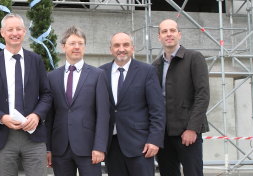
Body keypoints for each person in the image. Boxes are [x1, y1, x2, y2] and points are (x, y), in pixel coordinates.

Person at [0, 13, 52, 176]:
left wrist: (37, 115)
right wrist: (2, 118)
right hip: (4, 135)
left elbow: (47, 94)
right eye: (10, 29)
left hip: (34, 135)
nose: (15, 33)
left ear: (24, 32)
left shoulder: (36, 60)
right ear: (2, 33)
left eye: (19, 29)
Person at [46, 26, 110, 176]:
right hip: (60, 148)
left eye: (80, 43)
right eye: (72, 43)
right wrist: (48, 148)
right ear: (63, 46)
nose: (77, 47)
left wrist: (100, 146)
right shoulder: (52, 77)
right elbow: (49, 117)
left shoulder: (98, 75)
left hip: (89, 148)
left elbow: (103, 114)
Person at [99, 32, 165, 176]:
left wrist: (154, 140)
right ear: (111, 49)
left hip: (140, 145)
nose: (121, 49)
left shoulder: (147, 71)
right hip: (112, 145)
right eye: (117, 45)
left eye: (126, 45)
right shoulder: (101, 72)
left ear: (132, 48)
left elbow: (157, 110)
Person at [153, 19, 210, 176]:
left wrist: (192, 128)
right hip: (164, 135)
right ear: (159, 37)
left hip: (188, 133)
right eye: (164, 31)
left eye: (172, 30)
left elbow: (203, 95)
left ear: (179, 34)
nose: (168, 34)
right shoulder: (155, 66)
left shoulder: (194, 58)